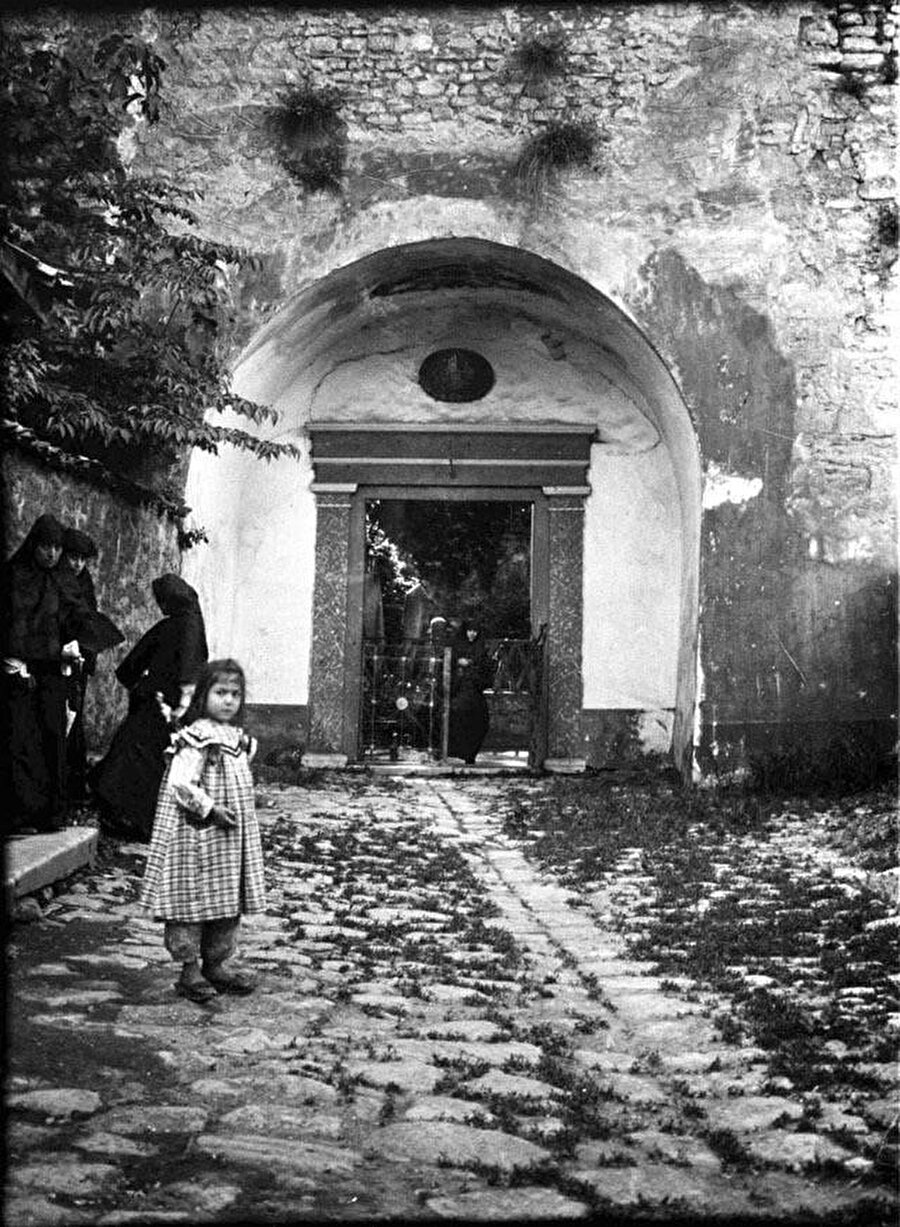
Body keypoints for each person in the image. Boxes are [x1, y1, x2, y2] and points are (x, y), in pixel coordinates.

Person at [139, 658, 265, 1004]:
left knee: (226, 900)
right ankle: (189, 969)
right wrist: (209, 808)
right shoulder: (196, 739)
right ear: (203, 696)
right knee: (191, 901)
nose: (228, 701)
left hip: (229, 842)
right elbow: (181, 784)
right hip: (196, 837)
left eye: (235, 694)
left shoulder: (238, 740)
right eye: (220, 692)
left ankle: (216, 964)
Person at [92, 573, 208, 841]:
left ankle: (134, 820)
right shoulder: (192, 626)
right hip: (174, 707)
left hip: (158, 705)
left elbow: (133, 665)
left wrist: (142, 682)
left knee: (135, 757)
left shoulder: (172, 627)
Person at [1, 513, 87, 833]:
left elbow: (75, 619)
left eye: (56, 548)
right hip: (19, 671)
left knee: (53, 737)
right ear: (34, 545)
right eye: (45, 547)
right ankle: (20, 815)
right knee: (21, 741)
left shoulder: (61, 580)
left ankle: (50, 814)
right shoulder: (14, 575)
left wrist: (74, 646)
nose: (52, 554)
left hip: (53, 671)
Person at [60, 528, 99, 807]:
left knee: (74, 718)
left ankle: (73, 783)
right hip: (55, 658)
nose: (77, 565)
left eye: (82, 560)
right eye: (73, 558)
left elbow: (92, 624)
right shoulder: (55, 581)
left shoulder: (85, 585)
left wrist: (86, 658)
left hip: (79, 662)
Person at [448, 621, 494, 765]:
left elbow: (485, 668)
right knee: (456, 717)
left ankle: (470, 754)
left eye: (475, 631)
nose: (472, 634)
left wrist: (472, 665)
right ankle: (456, 752)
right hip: (458, 689)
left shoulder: (481, 647)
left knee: (479, 720)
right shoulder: (456, 646)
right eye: (470, 631)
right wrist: (458, 663)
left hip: (474, 689)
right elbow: (449, 663)